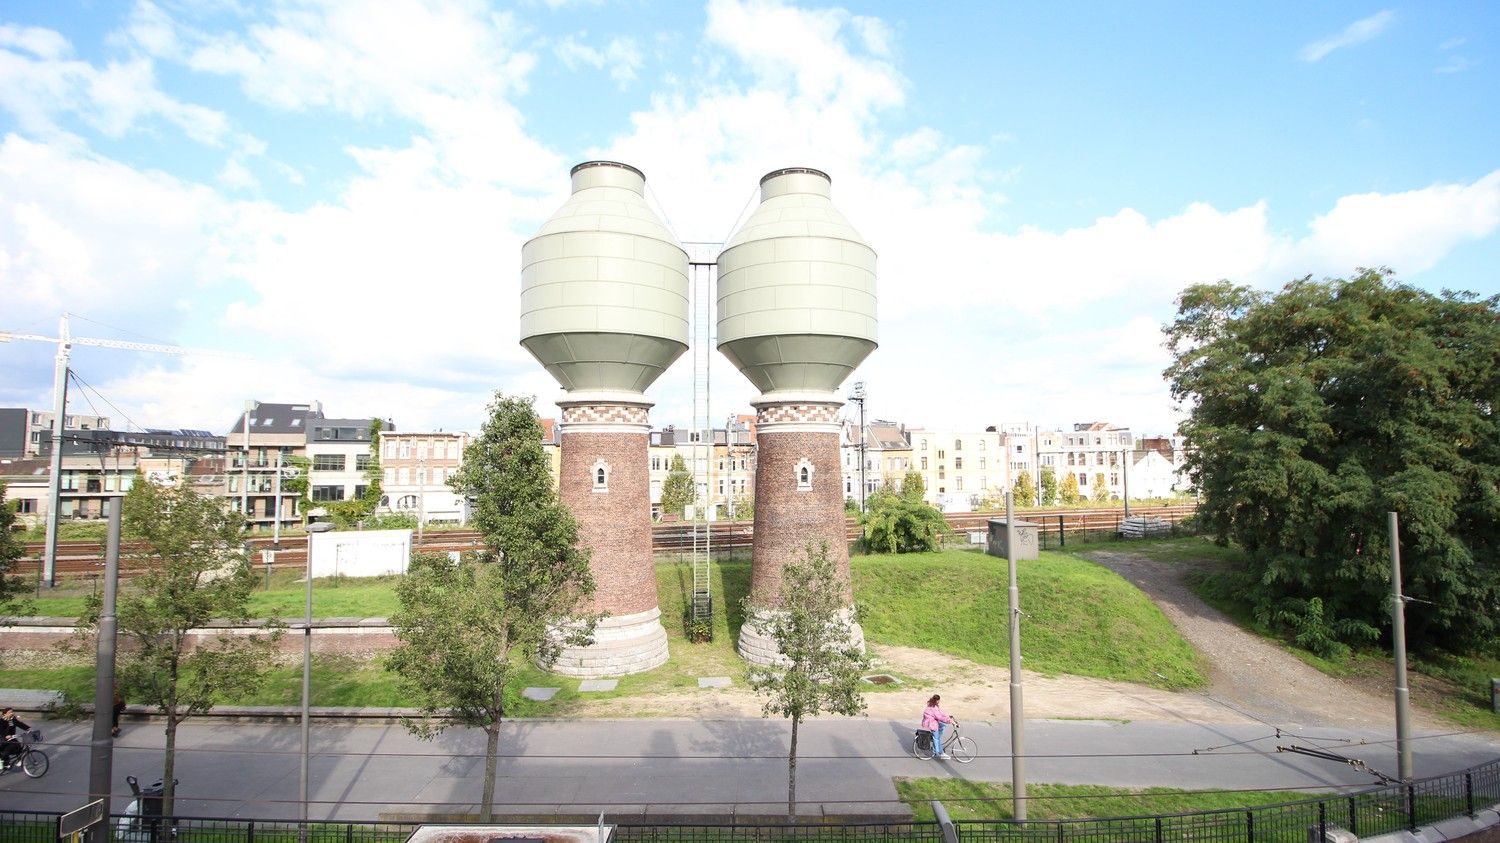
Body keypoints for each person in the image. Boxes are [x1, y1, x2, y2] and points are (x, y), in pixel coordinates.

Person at [921, 694, 956, 760]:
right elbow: (939, 717)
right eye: (939, 700)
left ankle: (936, 741)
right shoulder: (933, 708)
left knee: (942, 726)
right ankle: (938, 752)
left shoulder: (932, 704)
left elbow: (940, 712)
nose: (939, 701)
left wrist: (948, 716)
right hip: (932, 723)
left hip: (933, 721)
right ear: (937, 700)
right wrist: (950, 721)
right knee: (937, 738)